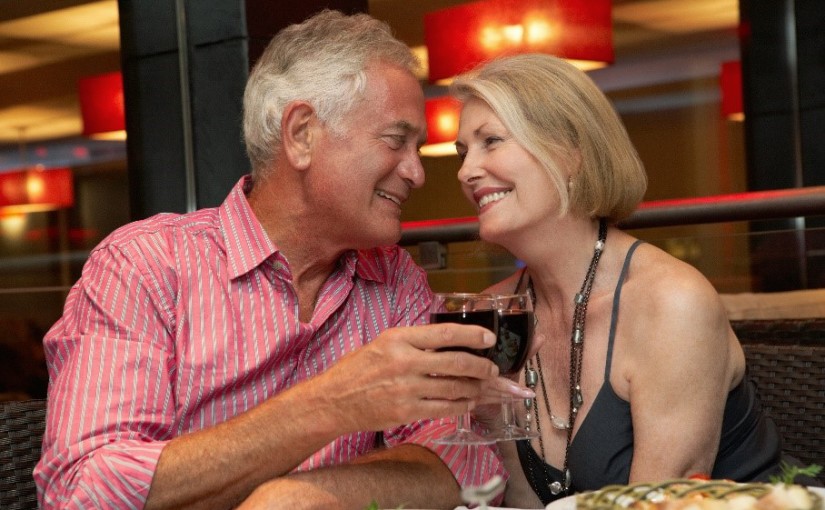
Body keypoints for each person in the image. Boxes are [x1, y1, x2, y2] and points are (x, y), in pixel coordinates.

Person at [35, 10, 532, 509]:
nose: (417, 173)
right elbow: (82, 493)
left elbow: (467, 466)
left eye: (418, 147)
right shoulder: (144, 265)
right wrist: (330, 405)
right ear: (301, 134)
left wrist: (294, 498)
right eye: (395, 140)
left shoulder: (395, 280)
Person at [450, 53, 808, 508]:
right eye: (463, 152)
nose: (465, 171)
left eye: (491, 142)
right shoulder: (499, 310)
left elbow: (659, 504)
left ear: (570, 152)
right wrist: (487, 415)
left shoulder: (672, 301)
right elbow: (526, 500)